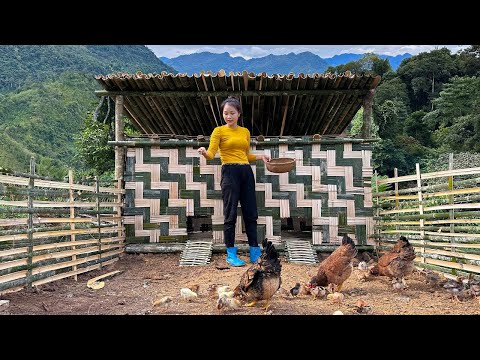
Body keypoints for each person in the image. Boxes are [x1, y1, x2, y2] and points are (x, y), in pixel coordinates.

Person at [198, 97, 270, 266]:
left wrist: (260, 156)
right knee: (230, 214)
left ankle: (254, 251)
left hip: (246, 172)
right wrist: (204, 152)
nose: (228, 116)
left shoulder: (245, 131)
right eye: (225, 113)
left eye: (232, 113)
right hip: (229, 172)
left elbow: (246, 155)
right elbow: (211, 153)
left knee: (251, 212)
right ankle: (230, 253)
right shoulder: (218, 131)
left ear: (238, 113)